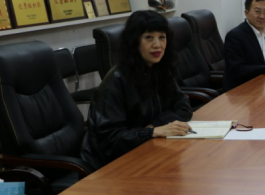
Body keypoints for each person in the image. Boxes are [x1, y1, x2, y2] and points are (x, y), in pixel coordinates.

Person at [81, 10, 192, 172]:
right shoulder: (116, 80)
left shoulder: (160, 69)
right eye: (149, 37)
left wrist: (154, 126)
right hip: (111, 166)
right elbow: (111, 140)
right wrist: (151, 132)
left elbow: (183, 108)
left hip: (149, 152)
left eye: (162, 37)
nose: (157, 45)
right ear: (134, 42)